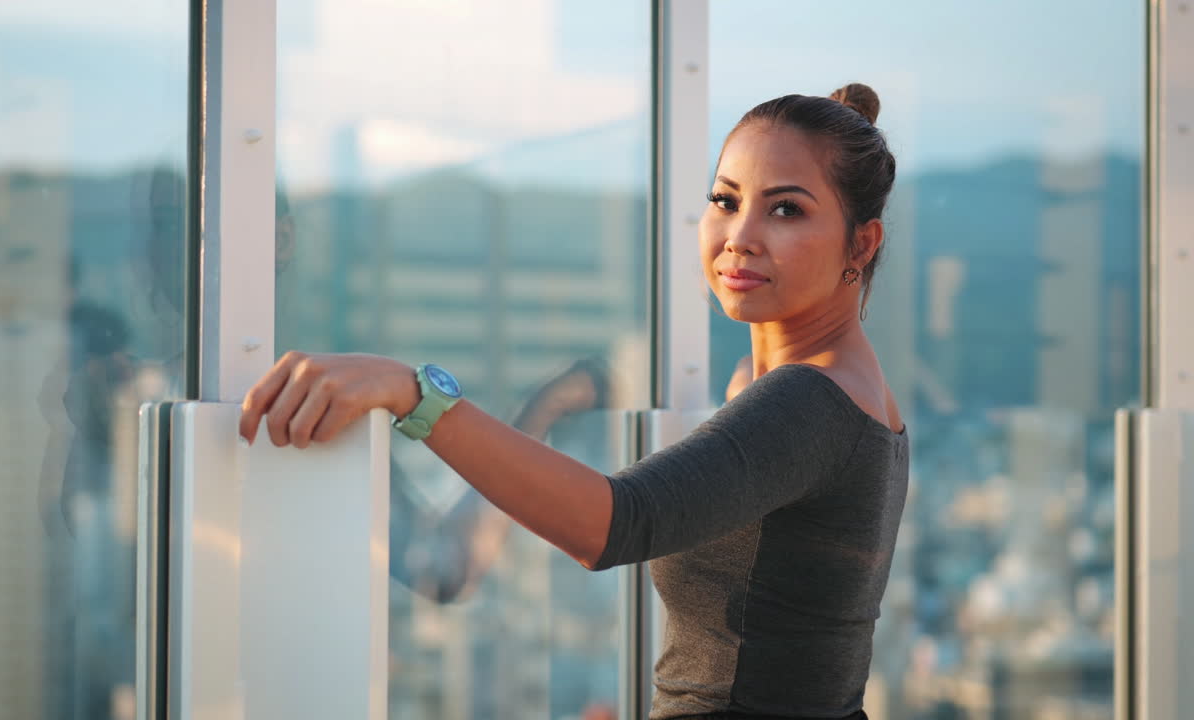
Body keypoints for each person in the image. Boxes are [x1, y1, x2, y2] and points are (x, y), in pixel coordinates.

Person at [239, 83, 909, 720]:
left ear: (862, 242)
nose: (740, 235)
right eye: (726, 200)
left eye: (786, 208)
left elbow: (615, 522)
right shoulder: (812, 387)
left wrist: (411, 393)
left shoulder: (810, 400)